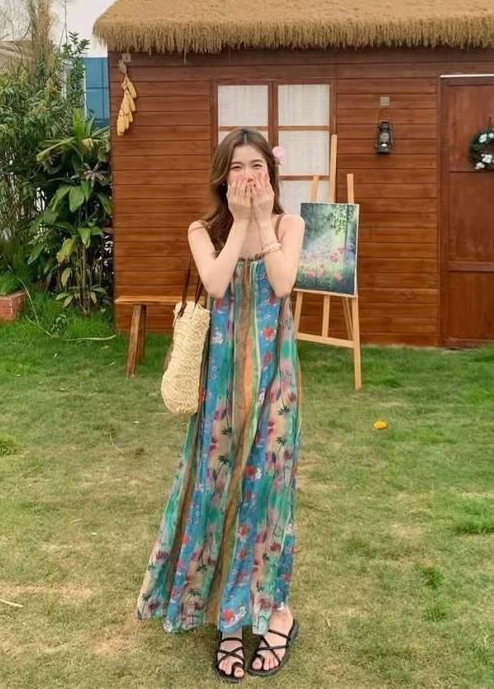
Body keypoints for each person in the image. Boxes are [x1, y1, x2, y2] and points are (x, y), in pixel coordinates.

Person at [135, 128, 307, 681]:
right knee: (214, 490)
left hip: (275, 383)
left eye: (256, 165)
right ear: (221, 176)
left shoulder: (290, 225)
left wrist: (262, 222)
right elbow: (214, 283)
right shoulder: (203, 230)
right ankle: (228, 623)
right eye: (236, 167)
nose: (247, 175)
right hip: (220, 387)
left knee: (266, 494)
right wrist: (238, 223)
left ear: (271, 173)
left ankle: (277, 614)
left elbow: (282, 285)